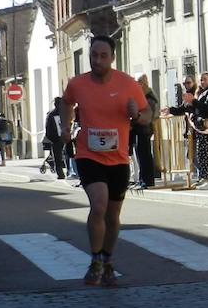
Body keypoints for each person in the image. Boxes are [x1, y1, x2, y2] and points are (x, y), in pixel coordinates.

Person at [59, 34, 150, 287]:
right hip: (88, 154)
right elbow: (66, 102)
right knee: (98, 205)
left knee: (112, 215)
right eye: (93, 55)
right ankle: (96, 260)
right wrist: (66, 127)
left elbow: (147, 112)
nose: (97, 60)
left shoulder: (128, 84)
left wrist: (138, 116)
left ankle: (107, 259)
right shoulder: (78, 84)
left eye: (103, 56)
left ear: (112, 57)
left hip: (118, 158)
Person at [133, 74, 159, 189]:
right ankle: (142, 179)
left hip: (145, 128)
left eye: (138, 82)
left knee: (145, 155)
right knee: (140, 154)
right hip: (139, 128)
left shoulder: (149, 97)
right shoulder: (140, 96)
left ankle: (147, 180)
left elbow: (148, 114)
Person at [44, 99, 66, 179]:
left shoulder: (62, 113)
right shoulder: (53, 114)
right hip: (57, 139)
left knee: (60, 157)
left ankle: (63, 173)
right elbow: (48, 128)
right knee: (58, 157)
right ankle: (61, 173)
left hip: (61, 138)